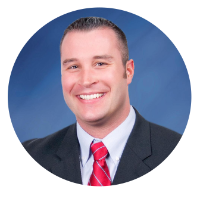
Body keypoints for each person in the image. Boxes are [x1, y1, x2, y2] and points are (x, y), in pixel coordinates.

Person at [21, 17, 182, 186]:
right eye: (73, 66)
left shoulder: (171, 149)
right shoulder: (33, 155)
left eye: (100, 63)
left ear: (128, 71)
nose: (86, 80)